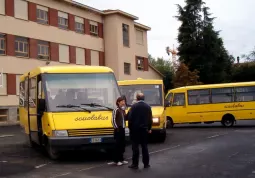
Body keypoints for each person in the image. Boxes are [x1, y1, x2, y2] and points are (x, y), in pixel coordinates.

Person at [127, 93, 153, 169]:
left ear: (137, 98)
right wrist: (149, 128)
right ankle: (146, 164)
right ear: (144, 98)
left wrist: (130, 128)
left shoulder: (133, 106)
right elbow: (150, 119)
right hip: (144, 130)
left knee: (135, 147)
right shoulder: (148, 107)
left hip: (135, 130)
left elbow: (130, 118)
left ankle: (135, 164)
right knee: (144, 147)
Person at [108, 96, 128, 166]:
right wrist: (116, 128)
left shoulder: (123, 110)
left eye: (124, 101)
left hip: (122, 129)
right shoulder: (116, 110)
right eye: (122, 101)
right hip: (118, 129)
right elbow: (113, 120)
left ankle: (121, 159)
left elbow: (125, 119)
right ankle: (116, 160)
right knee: (117, 145)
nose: (123, 103)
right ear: (118, 102)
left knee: (122, 144)